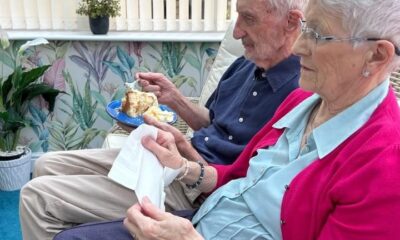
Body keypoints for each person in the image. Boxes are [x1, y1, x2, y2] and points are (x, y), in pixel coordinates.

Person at [53, 0, 400, 239]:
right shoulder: (301, 103)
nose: (298, 48)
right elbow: (237, 176)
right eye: (306, 29)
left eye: (318, 35)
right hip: (203, 217)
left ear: (377, 55)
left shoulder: (384, 167)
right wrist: (185, 166)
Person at [19, 0, 307, 239]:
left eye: (248, 18)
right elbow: (212, 122)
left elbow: (245, 184)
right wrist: (175, 99)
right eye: (237, 17)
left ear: (292, 22)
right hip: (175, 158)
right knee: (45, 165)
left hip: (194, 187)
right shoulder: (246, 62)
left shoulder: (300, 99)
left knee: (37, 197)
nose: (237, 32)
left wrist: (185, 153)